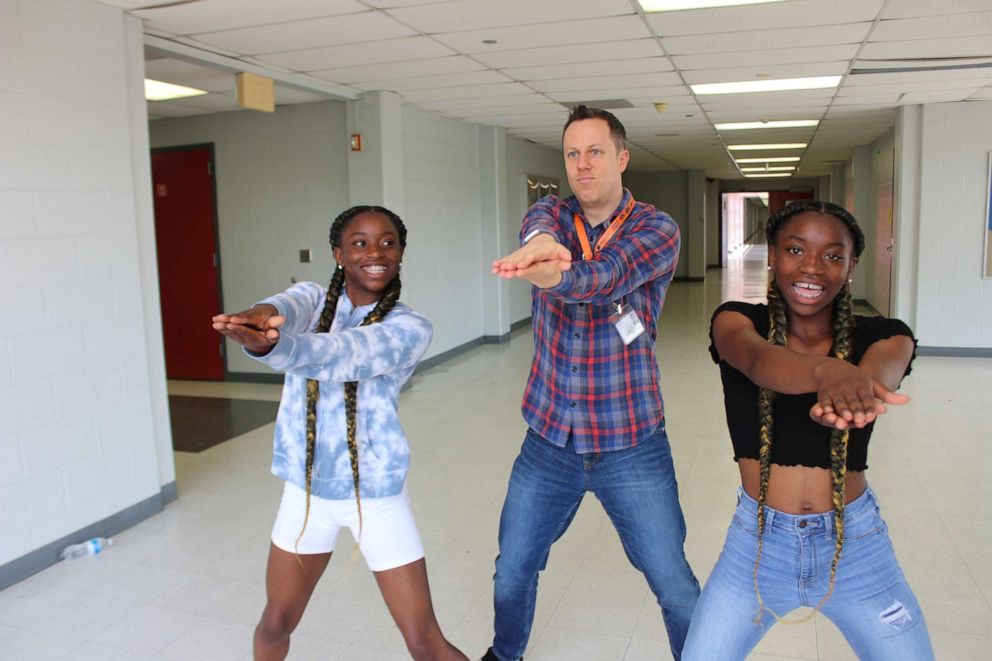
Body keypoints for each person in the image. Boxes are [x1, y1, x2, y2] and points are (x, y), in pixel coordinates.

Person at [484, 105, 700, 661]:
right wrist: (539, 247)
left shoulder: (657, 229)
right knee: (512, 569)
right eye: (573, 154)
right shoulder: (550, 215)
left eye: (595, 152)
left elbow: (609, 276)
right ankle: (505, 655)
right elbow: (540, 229)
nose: (583, 165)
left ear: (622, 158)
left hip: (630, 441)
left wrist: (557, 273)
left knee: (673, 581)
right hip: (548, 438)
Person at [212, 205, 467, 661]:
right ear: (338, 253)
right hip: (305, 496)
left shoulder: (409, 328)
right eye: (360, 242)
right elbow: (286, 305)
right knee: (276, 623)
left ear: (402, 253)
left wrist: (275, 345)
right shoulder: (312, 301)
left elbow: (346, 356)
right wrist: (259, 318)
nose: (376, 252)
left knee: (424, 641)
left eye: (388, 242)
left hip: (376, 497)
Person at [682, 201, 935, 659]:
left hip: (856, 546)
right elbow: (758, 362)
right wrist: (828, 375)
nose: (813, 267)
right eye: (796, 250)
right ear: (773, 255)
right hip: (755, 547)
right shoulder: (737, 321)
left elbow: (883, 371)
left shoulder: (884, 334)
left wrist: (861, 384)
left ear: (851, 265)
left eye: (833, 255)